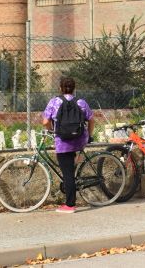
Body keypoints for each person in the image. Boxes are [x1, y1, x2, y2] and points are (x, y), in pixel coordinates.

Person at [42, 76, 94, 213]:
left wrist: (53, 131)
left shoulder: (54, 102)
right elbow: (91, 120)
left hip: (63, 142)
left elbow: (45, 122)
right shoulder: (81, 102)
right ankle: (74, 182)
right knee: (71, 170)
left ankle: (70, 205)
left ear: (60, 88)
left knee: (68, 173)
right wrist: (89, 136)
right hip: (80, 140)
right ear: (74, 88)